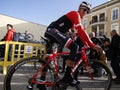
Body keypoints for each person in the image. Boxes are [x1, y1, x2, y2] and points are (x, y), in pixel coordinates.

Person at [37, 1, 102, 90]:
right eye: (84, 10)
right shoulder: (75, 14)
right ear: (79, 9)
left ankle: (41, 82)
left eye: (87, 11)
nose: (85, 12)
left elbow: (78, 34)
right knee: (74, 47)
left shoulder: (73, 23)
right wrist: (92, 45)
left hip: (51, 32)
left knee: (48, 59)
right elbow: (81, 30)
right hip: (53, 31)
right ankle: (67, 77)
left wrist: (86, 44)